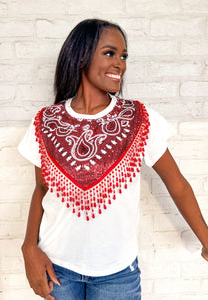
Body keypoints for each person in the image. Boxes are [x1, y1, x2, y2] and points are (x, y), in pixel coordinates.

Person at [18, 19, 208, 300]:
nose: (120, 63)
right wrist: (28, 249)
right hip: (57, 269)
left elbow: (177, 184)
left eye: (123, 56)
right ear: (81, 55)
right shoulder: (46, 121)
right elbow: (43, 188)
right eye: (109, 53)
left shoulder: (139, 119)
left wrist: (206, 240)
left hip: (117, 274)